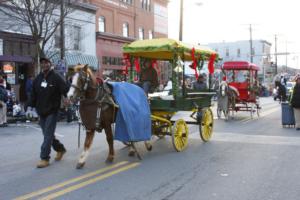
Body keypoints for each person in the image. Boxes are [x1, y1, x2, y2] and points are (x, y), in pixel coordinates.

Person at [30, 57, 69, 168]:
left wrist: (68, 98)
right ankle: (60, 149)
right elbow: (33, 94)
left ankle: (44, 158)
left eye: (46, 63)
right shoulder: (38, 79)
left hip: (52, 110)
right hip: (41, 111)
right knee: (48, 135)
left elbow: (66, 89)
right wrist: (30, 107)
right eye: (42, 63)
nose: (44, 65)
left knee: (47, 135)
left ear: (50, 64)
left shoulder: (56, 77)